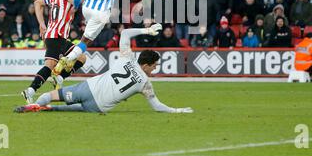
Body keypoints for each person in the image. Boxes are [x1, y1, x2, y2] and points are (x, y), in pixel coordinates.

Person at [14, 24, 193, 114]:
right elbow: (157, 106)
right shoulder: (145, 84)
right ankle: (47, 108)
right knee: (62, 108)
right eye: (154, 66)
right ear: (146, 65)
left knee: (49, 96)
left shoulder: (126, 57)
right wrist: (177, 111)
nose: (154, 69)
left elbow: (125, 33)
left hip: (88, 88)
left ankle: (33, 105)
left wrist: (147, 30)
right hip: (97, 107)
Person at [21, 0, 86, 104]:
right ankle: (30, 91)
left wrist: (41, 24)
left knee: (81, 57)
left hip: (59, 37)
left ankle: (60, 78)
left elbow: (37, 3)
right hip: (55, 35)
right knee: (50, 65)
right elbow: (76, 0)